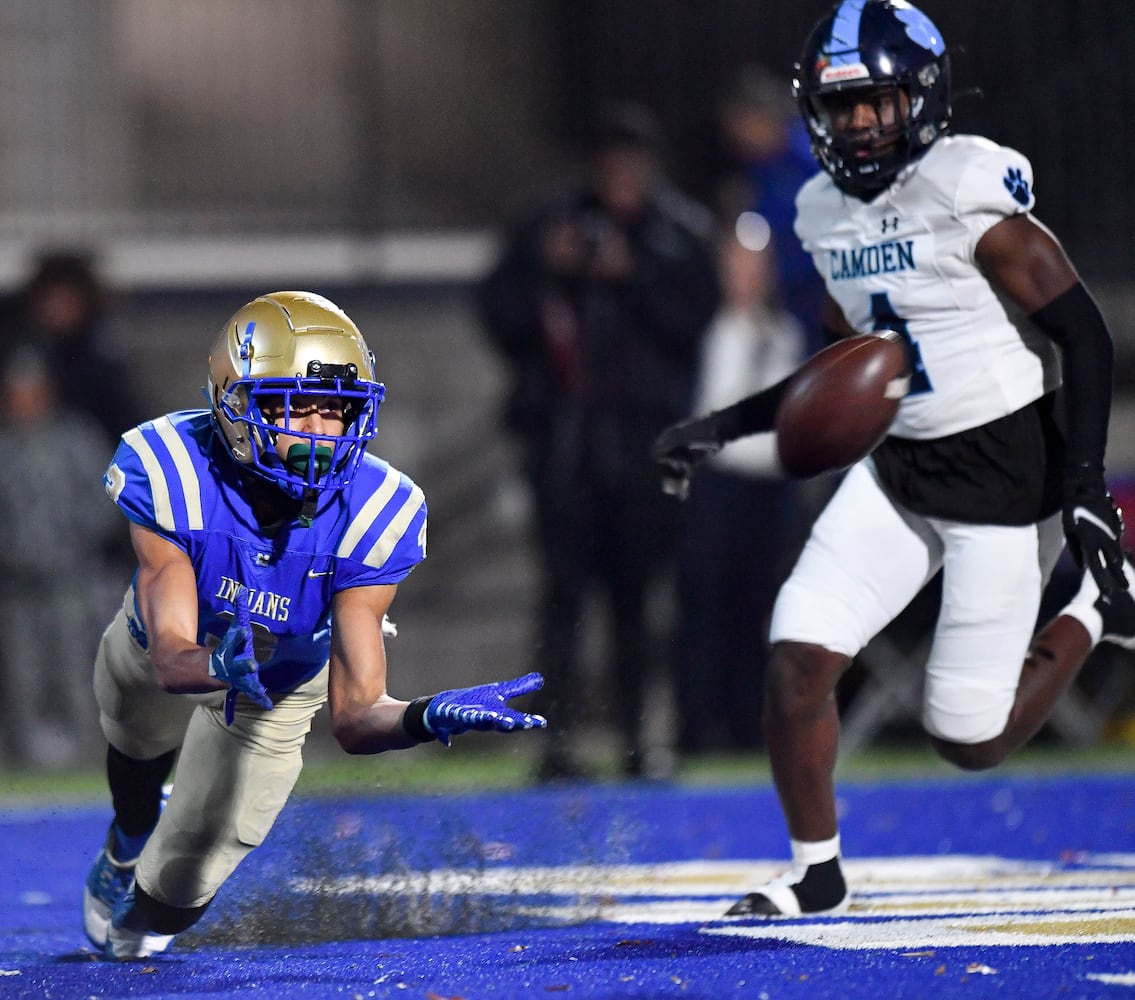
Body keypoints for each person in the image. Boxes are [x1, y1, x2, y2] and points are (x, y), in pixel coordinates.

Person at [651, 0, 1135, 917]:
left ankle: (1091, 606)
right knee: (796, 657)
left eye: (878, 102)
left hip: (1005, 480)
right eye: (843, 107)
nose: (862, 123)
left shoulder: (963, 186)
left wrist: (1081, 488)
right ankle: (816, 870)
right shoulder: (820, 210)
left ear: (921, 97)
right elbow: (846, 359)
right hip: (899, 467)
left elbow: (1084, 334)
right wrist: (728, 423)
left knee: (969, 738)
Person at [83, 291, 546, 960]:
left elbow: (356, 720)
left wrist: (422, 717)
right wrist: (216, 665)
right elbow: (169, 656)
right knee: (134, 742)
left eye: (337, 410)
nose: (320, 431)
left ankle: (140, 898)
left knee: (174, 901)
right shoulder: (174, 465)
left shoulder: (377, 508)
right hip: (175, 644)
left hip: (279, 680)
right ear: (235, 402)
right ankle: (123, 842)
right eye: (298, 406)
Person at [477, 101, 720, 780]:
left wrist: (630, 274)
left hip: (643, 443)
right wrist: (545, 271)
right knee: (562, 596)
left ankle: (644, 741)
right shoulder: (544, 226)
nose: (620, 176)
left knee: (638, 597)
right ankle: (554, 742)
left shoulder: (677, 232)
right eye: (609, 162)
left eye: (632, 162)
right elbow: (499, 317)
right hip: (564, 442)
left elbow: (692, 323)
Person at [673, 221, 808, 754]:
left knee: (757, 608)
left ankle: (747, 727)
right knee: (706, 607)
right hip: (720, 487)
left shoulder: (784, 334)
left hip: (767, 491)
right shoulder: (715, 331)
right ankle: (695, 729)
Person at [0, 347, 118, 767]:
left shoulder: (76, 440)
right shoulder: (5, 449)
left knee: (76, 671)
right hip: (16, 587)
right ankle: (26, 763)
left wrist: (70, 540)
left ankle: (88, 758)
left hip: (71, 582)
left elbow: (105, 498)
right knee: (22, 677)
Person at [715, 65, 825, 354]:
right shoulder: (758, 168)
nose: (737, 138)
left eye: (741, 126)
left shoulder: (812, 155)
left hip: (825, 292)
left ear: (760, 117)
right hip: (786, 301)